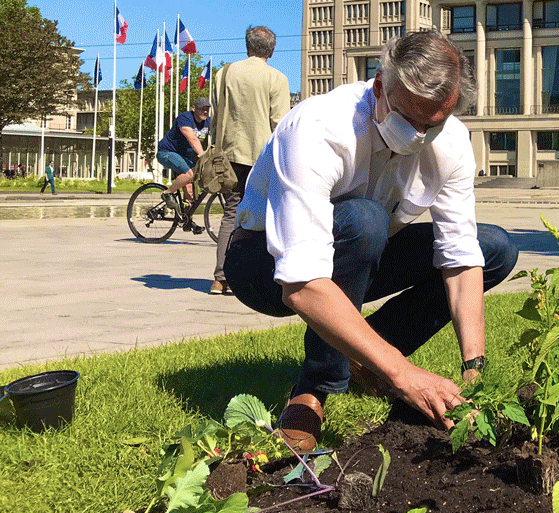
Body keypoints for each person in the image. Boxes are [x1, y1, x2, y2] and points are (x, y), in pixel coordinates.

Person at [223, 30, 519, 453]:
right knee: (365, 221)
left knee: (493, 248)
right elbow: (302, 282)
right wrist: (403, 373)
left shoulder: (452, 142)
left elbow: (459, 255)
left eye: (431, 125)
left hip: (361, 252)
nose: (417, 136)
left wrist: (475, 370)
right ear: (379, 86)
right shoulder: (318, 128)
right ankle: (314, 390)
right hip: (261, 262)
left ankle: (365, 353)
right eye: (407, 118)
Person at [208, 26, 291, 296]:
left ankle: (221, 278)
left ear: (247, 46)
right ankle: (258, 277)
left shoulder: (224, 73)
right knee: (268, 215)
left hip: (229, 155)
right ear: (272, 50)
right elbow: (280, 124)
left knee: (231, 214)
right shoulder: (276, 78)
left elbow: (215, 118)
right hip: (262, 157)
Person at [157, 98, 212, 209]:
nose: (205, 112)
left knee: (190, 191)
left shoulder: (208, 121)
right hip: (167, 153)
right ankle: (167, 194)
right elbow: (192, 139)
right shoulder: (185, 118)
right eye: (202, 109)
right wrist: (204, 157)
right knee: (190, 174)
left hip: (184, 157)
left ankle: (187, 219)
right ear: (194, 108)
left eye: (207, 109)